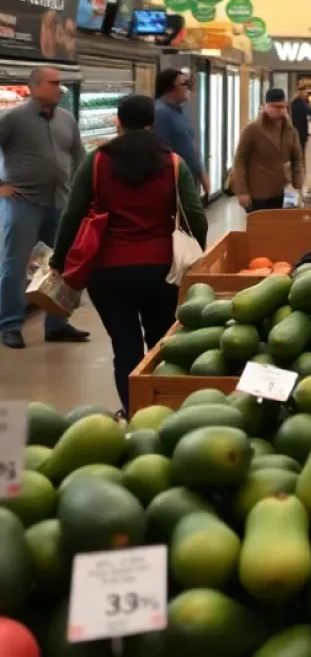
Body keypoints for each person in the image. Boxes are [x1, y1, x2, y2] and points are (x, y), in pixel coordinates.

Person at [50, 94, 207, 411]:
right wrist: (197, 253)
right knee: (162, 343)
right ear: (152, 122)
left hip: (107, 272)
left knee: (125, 347)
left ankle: (133, 411)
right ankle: (163, 409)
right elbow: (196, 216)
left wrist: (58, 259)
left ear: (117, 122)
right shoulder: (173, 163)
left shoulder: (97, 161)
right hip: (161, 269)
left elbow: (72, 214)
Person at [0, 67, 90, 349]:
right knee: (15, 264)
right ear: (34, 86)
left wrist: (85, 191)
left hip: (61, 202)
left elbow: (79, 156)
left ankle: (57, 323)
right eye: (53, 83)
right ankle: (10, 324)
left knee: (63, 264)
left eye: (60, 83)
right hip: (23, 202)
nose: (59, 88)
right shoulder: (13, 118)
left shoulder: (66, 119)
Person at [232, 88, 304, 211]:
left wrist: (298, 185)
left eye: (282, 107)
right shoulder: (252, 130)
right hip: (258, 194)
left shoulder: (291, 131)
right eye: (274, 107)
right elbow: (240, 161)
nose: (279, 110)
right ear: (265, 106)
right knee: (261, 227)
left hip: (284, 192)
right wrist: (242, 191)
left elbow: (297, 159)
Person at [154, 68, 209, 198]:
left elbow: (190, 145)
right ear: (169, 88)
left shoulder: (181, 110)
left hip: (189, 180)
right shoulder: (160, 112)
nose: (188, 88)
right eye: (184, 84)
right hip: (175, 184)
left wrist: (202, 174)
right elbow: (161, 152)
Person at [290, 88, 311, 152]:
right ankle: (301, 157)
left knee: (299, 140)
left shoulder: (295, 101)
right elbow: (308, 110)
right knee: (301, 142)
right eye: (305, 93)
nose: (306, 95)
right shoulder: (300, 101)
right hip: (300, 124)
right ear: (301, 94)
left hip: (297, 123)